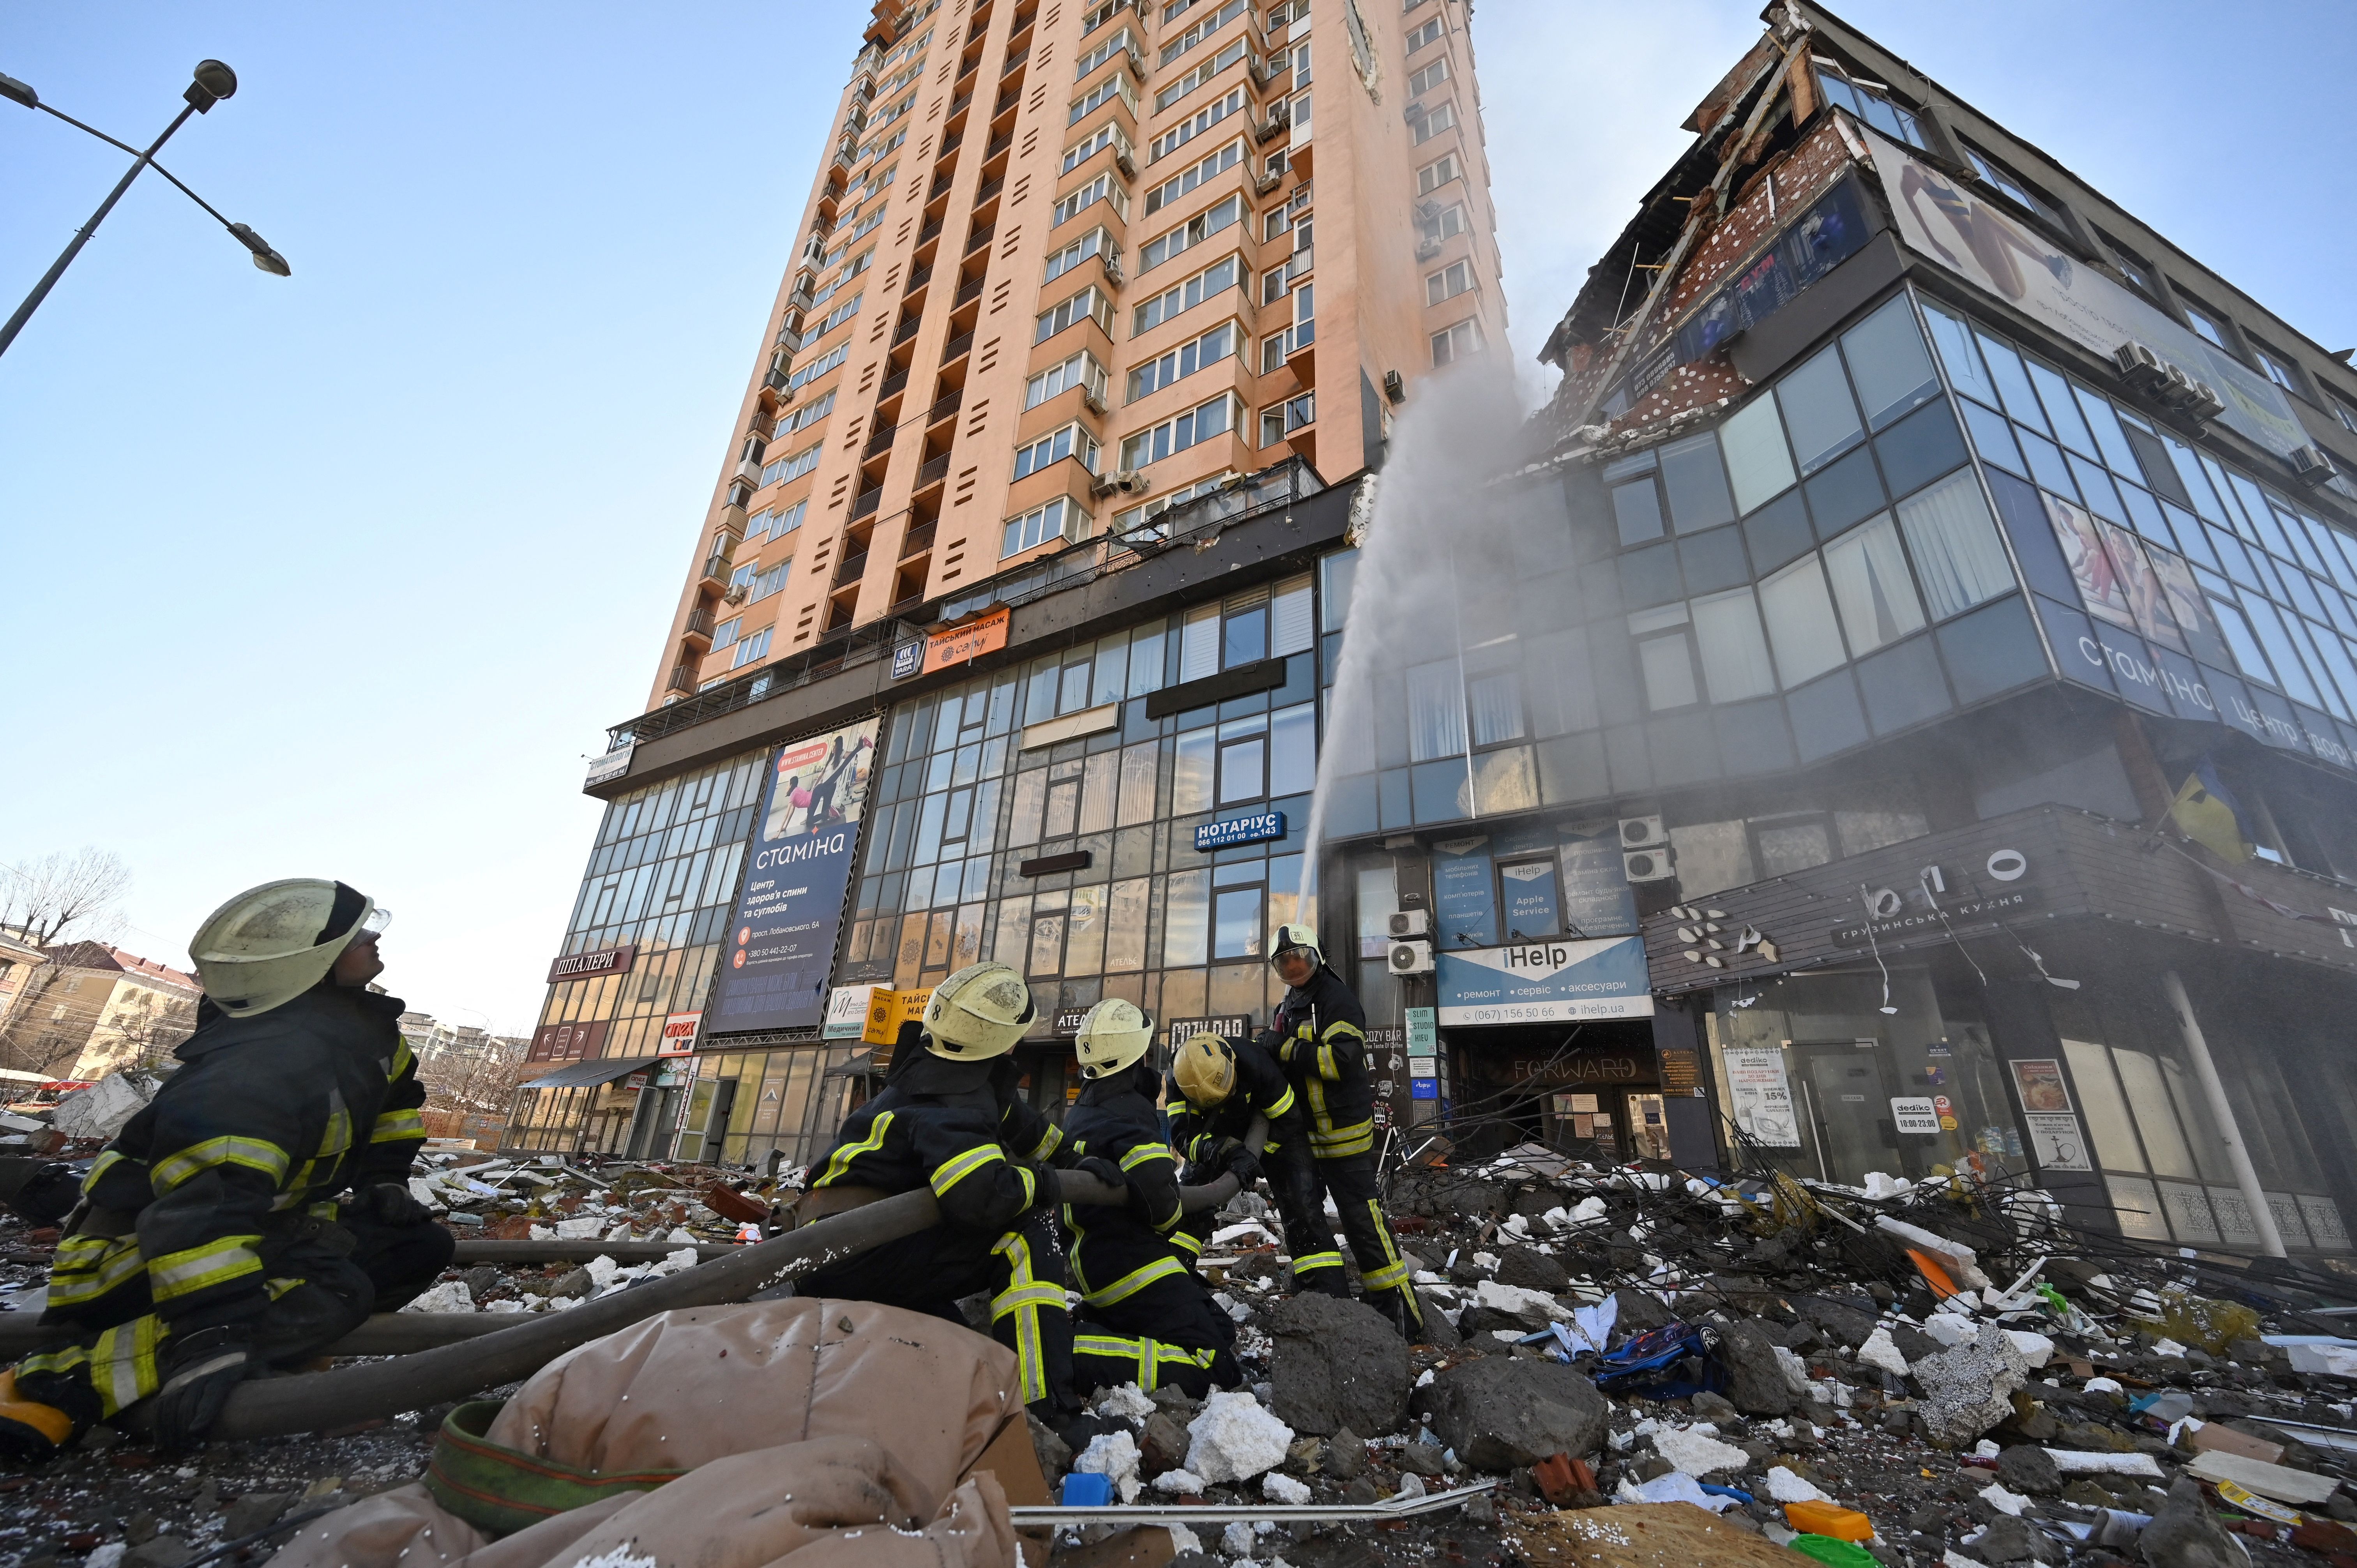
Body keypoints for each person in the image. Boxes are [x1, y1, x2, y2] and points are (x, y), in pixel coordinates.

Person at [0, 880, 454, 1460]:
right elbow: (202, 1212)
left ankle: (266, 1345)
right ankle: (60, 1382)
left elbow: (392, 1108)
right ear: (311, 964)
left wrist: (384, 1180)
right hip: (141, 1255)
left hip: (268, 1225)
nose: (374, 937)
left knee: (413, 1250)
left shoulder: (365, 1032)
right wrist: (210, 1332)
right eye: (357, 933)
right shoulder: (251, 1068)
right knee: (333, 1293)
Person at [799, 962, 1090, 1422]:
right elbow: (981, 1199)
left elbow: (1024, 1125)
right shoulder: (954, 1103)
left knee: (959, 1356)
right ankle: (1047, 1406)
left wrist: (1079, 1162)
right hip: (854, 1254)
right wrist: (1046, 1182)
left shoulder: (941, 1073)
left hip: (841, 1248)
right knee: (1026, 1228)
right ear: (1004, 1040)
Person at [1060, 1000, 1239, 1398]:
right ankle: (1070, 1349)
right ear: (1138, 1054)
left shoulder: (1085, 1108)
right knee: (1215, 1364)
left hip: (1103, 1264)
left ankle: (1101, 1326)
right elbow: (1164, 1209)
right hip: (1129, 1267)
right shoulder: (1128, 1116)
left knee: (1224, 1329)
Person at [1258, 923, 1425, 1340]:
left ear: (1318, 957)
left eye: (1300, 958)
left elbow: (1342, 1061)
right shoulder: (1291, 1003)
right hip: (1307, 1136)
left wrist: (1284, 1048)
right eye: (1285, 962)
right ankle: (1324, 1297)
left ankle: (1401, 1315)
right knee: (1305, 1217)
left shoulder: (1336, 999)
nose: (1294, 967)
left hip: (1343, 1135)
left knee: (1362, 1221)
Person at [1163, 1031, 1319, 1280]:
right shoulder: (1179, 1078)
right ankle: (1173, 1278)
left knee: (1301, 1203)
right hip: (1215, 1132)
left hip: (1271, 1126)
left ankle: (1320, 1286)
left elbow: (1288, 1119)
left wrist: (1255, 1158)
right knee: (1192, 1203)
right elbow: (1185, 1140)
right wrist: (1226, 1151)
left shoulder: (1255, 1061)